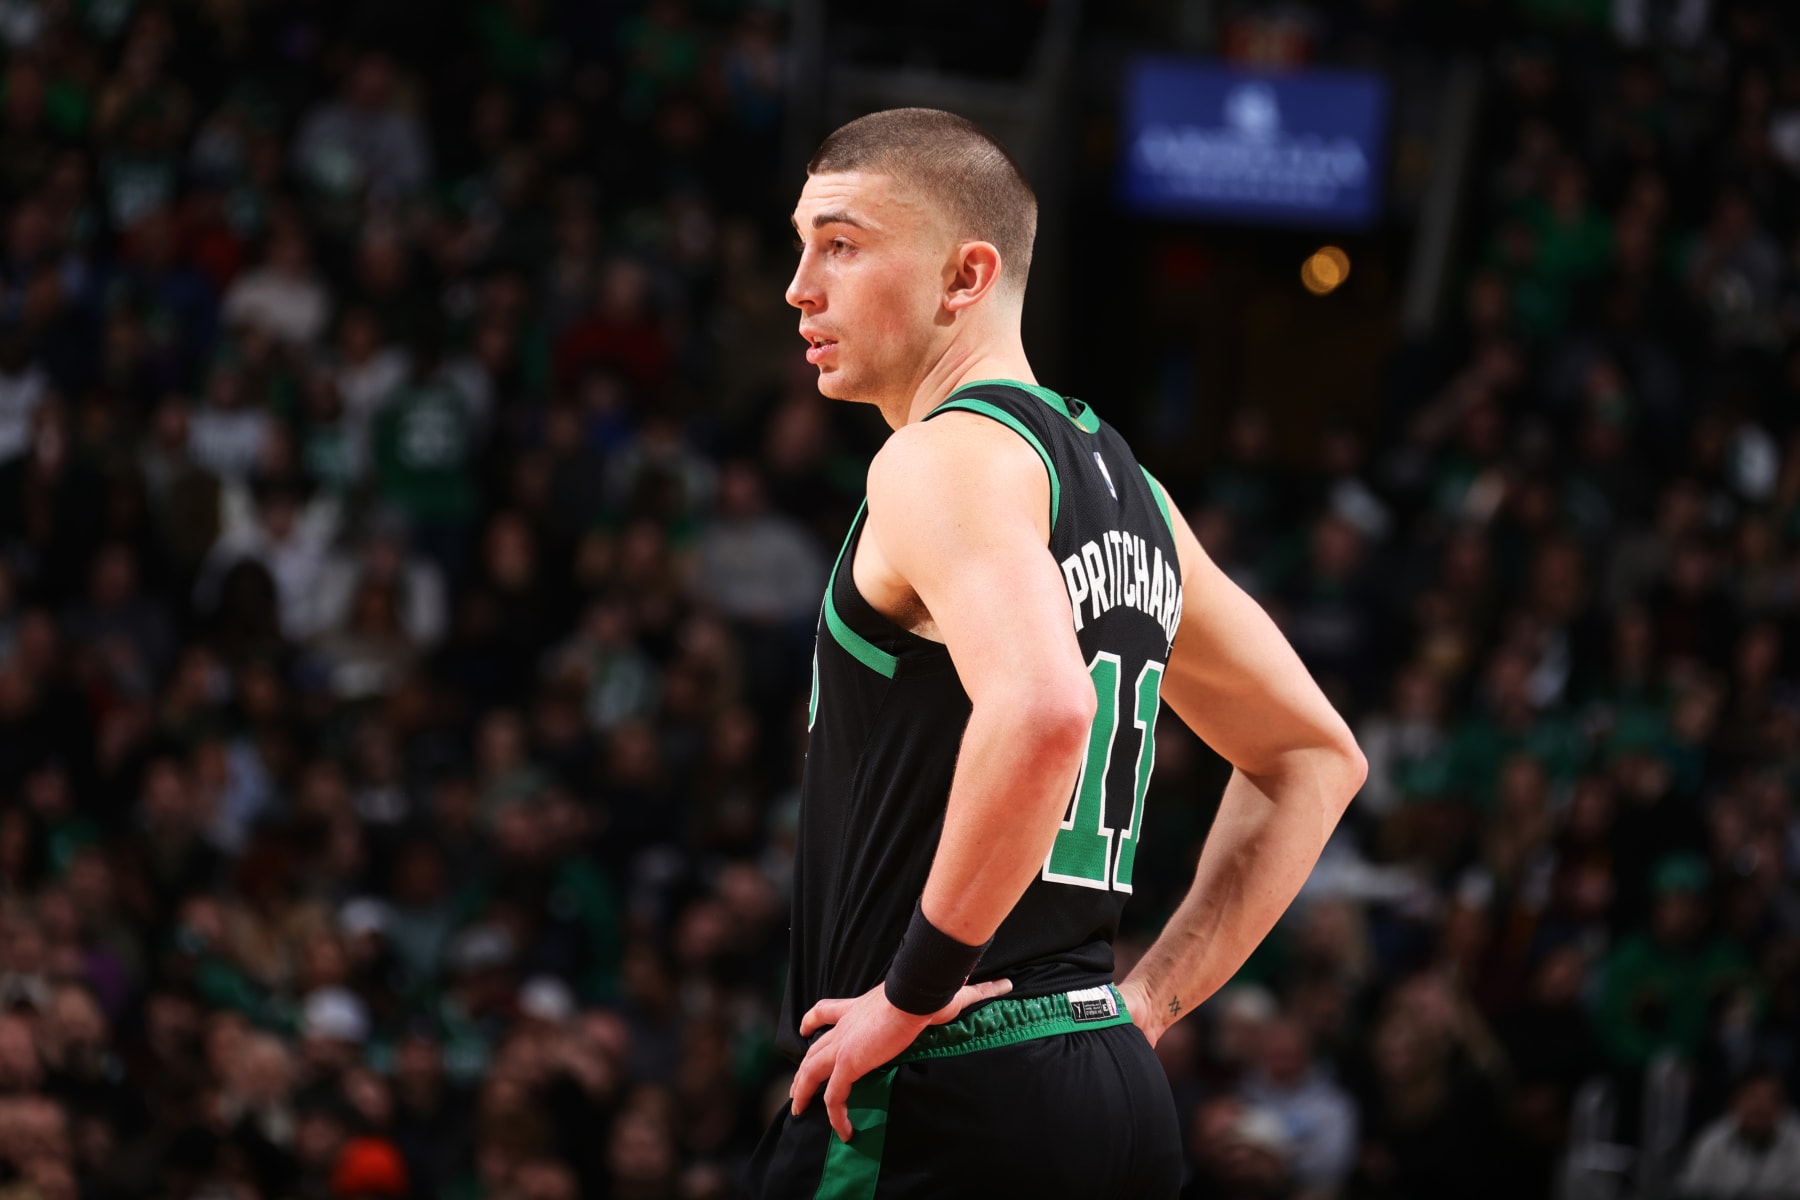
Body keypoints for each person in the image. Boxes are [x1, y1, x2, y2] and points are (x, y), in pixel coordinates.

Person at [747, 108, 1366, 1198]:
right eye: (802, 245)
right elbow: (1312, 757)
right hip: (1109, 1085)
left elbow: (1045, 710)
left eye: (841, 245)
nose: (799, 286)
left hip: (941, 1081)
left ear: (965, 276)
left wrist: (910, 993)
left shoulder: (939, 459)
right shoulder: (1134, 492)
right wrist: (1149, 1003)